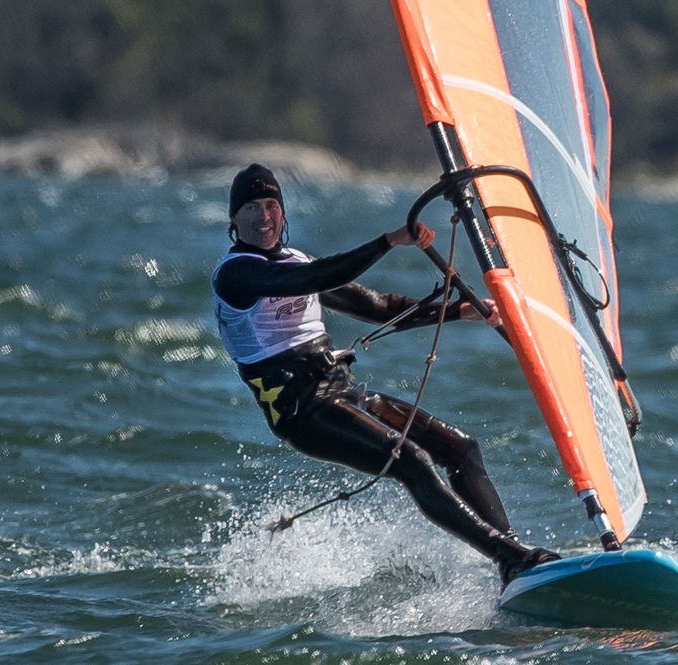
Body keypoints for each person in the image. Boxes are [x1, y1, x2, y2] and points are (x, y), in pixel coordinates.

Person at [212, 163, 558, 586]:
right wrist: (389, 242)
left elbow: (376, 305)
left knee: (461, 448)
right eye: (251, 207)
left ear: (283, 212)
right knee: (409, 458)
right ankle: (513, 559)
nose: (264, 217)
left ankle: (517, 561)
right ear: (233, 219)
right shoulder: (237, 274)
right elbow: (314, 277)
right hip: (303, 412)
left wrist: (458, 311)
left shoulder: (293, 259)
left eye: (271, 205)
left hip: (341, 392)